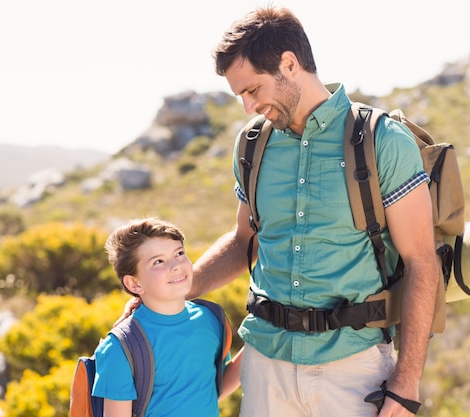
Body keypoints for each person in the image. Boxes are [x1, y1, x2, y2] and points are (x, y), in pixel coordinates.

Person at [120, 6, 438, 417]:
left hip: (354, 370)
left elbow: (421, 262)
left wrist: (406, 381)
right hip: (265, 364)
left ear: (289, 64)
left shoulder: (382, 141)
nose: (248, 106)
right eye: (240, 95)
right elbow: (242, 242)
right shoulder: (252, 145)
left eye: (252, 90)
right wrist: (177, 289)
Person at [94, 217, 241, 417]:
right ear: (134, 284)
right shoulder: (120, 347)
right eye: (158, 261)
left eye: (179, 253)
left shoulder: (211, 319)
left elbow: (213, 389)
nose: (176, 265)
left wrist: (260, 336)